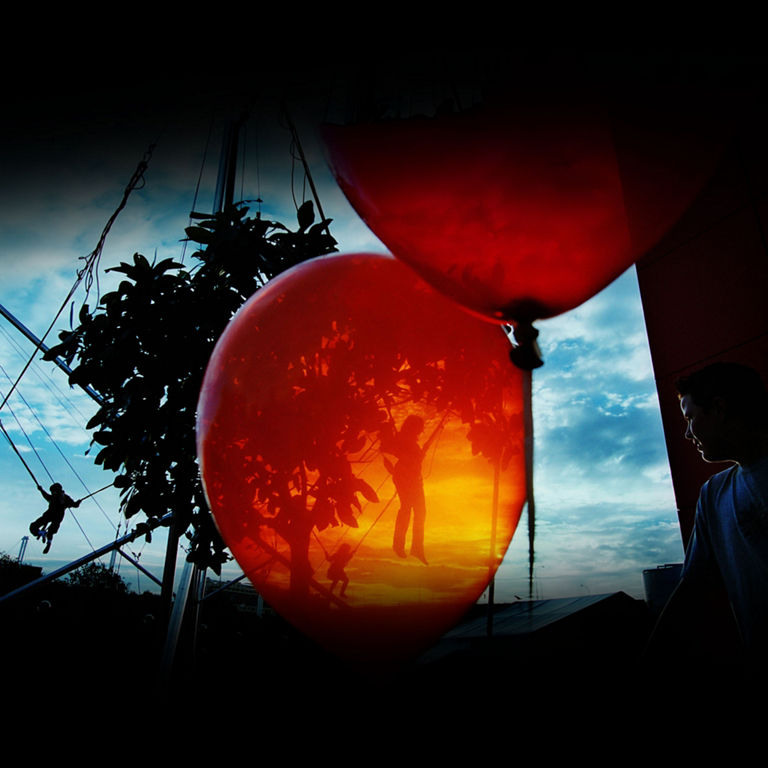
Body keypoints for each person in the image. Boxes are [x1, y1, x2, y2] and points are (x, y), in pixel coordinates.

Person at [650, 361, 768, 669]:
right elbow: (692, 587)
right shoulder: (713, 495)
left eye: (690, 418)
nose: (688, 433)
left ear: (718, 408)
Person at [29, 483, 81, 554]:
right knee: (35, 527)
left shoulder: (63, 498)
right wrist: (41, 490)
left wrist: (77, 503)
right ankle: (43, 534)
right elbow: (46, 496)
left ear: (56, 490)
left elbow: (74, 505)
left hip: (55, 517)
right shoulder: (56, 497)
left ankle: (47, 539)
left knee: (50, 531)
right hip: (51, 516)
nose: (52, 493)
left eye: (53, 491)